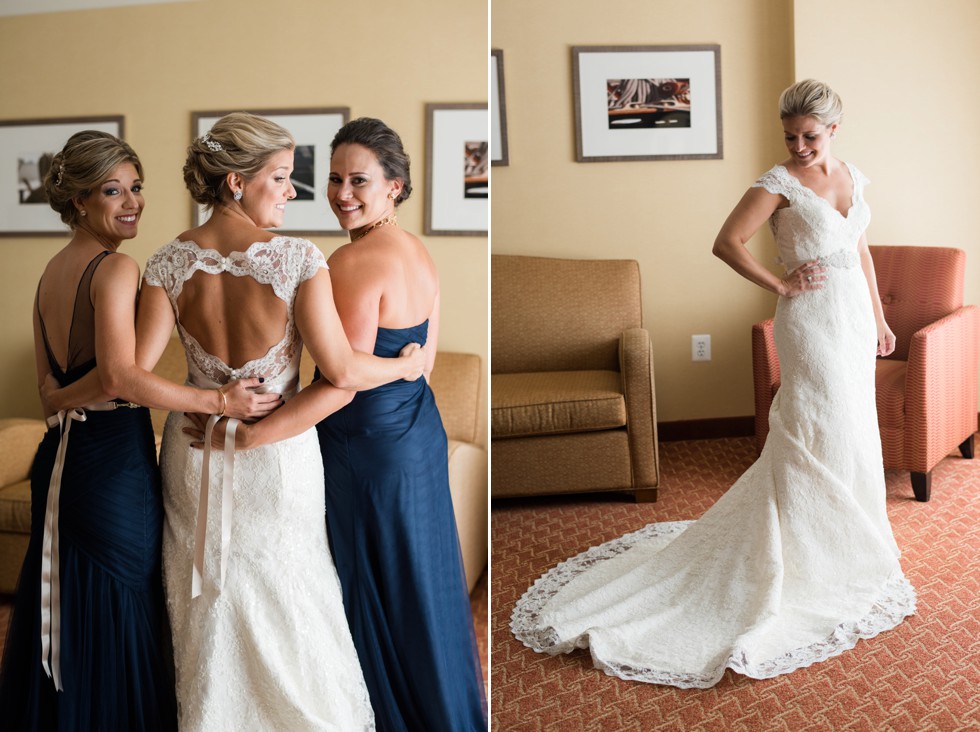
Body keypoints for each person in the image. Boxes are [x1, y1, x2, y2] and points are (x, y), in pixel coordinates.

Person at [511, 79, 916, 688]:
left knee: (853, 424)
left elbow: (859, 248)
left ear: (834, 130)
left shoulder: (852, 176)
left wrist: (881, 320)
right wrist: (780, 286)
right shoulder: (775, 184)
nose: (800, 147)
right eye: (790, 137)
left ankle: (844, 543)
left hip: (854, 316)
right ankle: (797, 553)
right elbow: (725, 243)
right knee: (813, 423)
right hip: (810, 322)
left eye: (810, 136)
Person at [187, 117, 488, 730]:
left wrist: (251, 435)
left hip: (365, 449)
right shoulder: (418, 250)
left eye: (359, 180)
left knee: (372, 591)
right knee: (420, 589)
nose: (341, 193)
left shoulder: (350, 264)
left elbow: (341, 382)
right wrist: (403, 371)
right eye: (333, 179)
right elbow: (422, 364)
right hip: (417, 436)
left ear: (395, 186)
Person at [137, 112, 425, 730]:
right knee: (290, 593)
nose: (293, 192)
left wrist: (211, 404)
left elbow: (131, 377)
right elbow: (342, 371)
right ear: (237, 182)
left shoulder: (164, 262)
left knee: (207, 594)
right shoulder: (297, 258)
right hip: (278, 454)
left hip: (194, 450)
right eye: (281, 177)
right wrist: (406, 366)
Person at [0, 131, 275, 730]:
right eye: (111, 190)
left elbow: (51, 389)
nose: (131, 202)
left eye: (136, 187)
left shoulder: (50, 273)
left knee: (72, 602)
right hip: (111, 464)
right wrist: (219, 399)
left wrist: (61, 398)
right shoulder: (118, 267)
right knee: (123, 604)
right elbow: (123, 377)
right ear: (78, 201)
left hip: (62, 456)